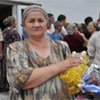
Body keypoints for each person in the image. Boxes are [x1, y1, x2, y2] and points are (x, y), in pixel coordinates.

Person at [7, 5, 82, 100]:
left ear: (47, 24)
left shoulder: (62, 46)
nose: (36, 24)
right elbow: (21, 81)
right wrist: (62, 65)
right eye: (31, 21)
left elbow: (71, 76)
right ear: (24, 26)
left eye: (40, 20)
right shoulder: (16, 48)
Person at [1, 16, 21, 92]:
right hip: (12, 53)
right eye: (15, 21)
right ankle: (11, 86)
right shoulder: (14, 32)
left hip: (5, 52)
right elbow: (18, 43)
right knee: (12, 69)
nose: (16, 23)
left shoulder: (4, 31)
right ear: (12, 23)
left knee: (5, 69)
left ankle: (4, 86)